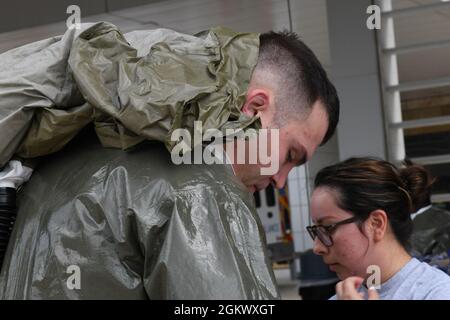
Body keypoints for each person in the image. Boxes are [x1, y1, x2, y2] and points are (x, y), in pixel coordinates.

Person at [0, 22, 339, 299]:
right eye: (291, 155)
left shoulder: (55, 161)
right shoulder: (201, 190)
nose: (280, 180)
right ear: (255, 108)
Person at [307, 157, 450, 300]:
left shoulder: (438, 293)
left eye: (327, 228)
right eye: (316, 231)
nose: (317, 248)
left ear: (376, 224)